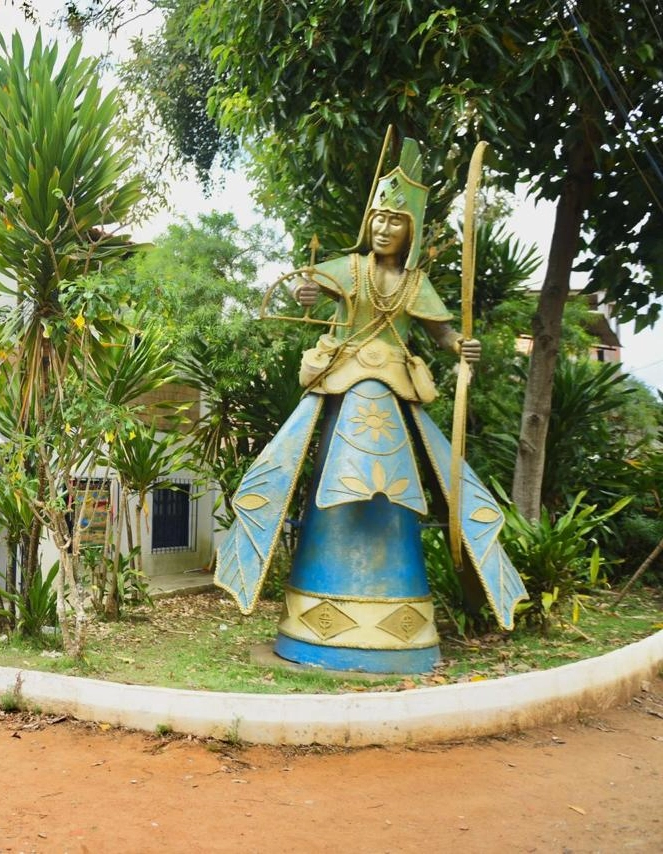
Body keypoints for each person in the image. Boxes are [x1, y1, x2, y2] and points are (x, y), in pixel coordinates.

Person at [214, 138, 527, 674]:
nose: (384, 228)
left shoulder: (415, 283)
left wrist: (461, 347)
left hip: (396, 404)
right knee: (316, 487)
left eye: (396, 222)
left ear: (410, 233)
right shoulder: (350, 270)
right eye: (379, 219)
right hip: (341, 398)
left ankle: (402, 628)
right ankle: (313, 622)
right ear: (369, 224)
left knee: (404, 498)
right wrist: (306, 295)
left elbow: (443, 332)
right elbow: (306, 288)